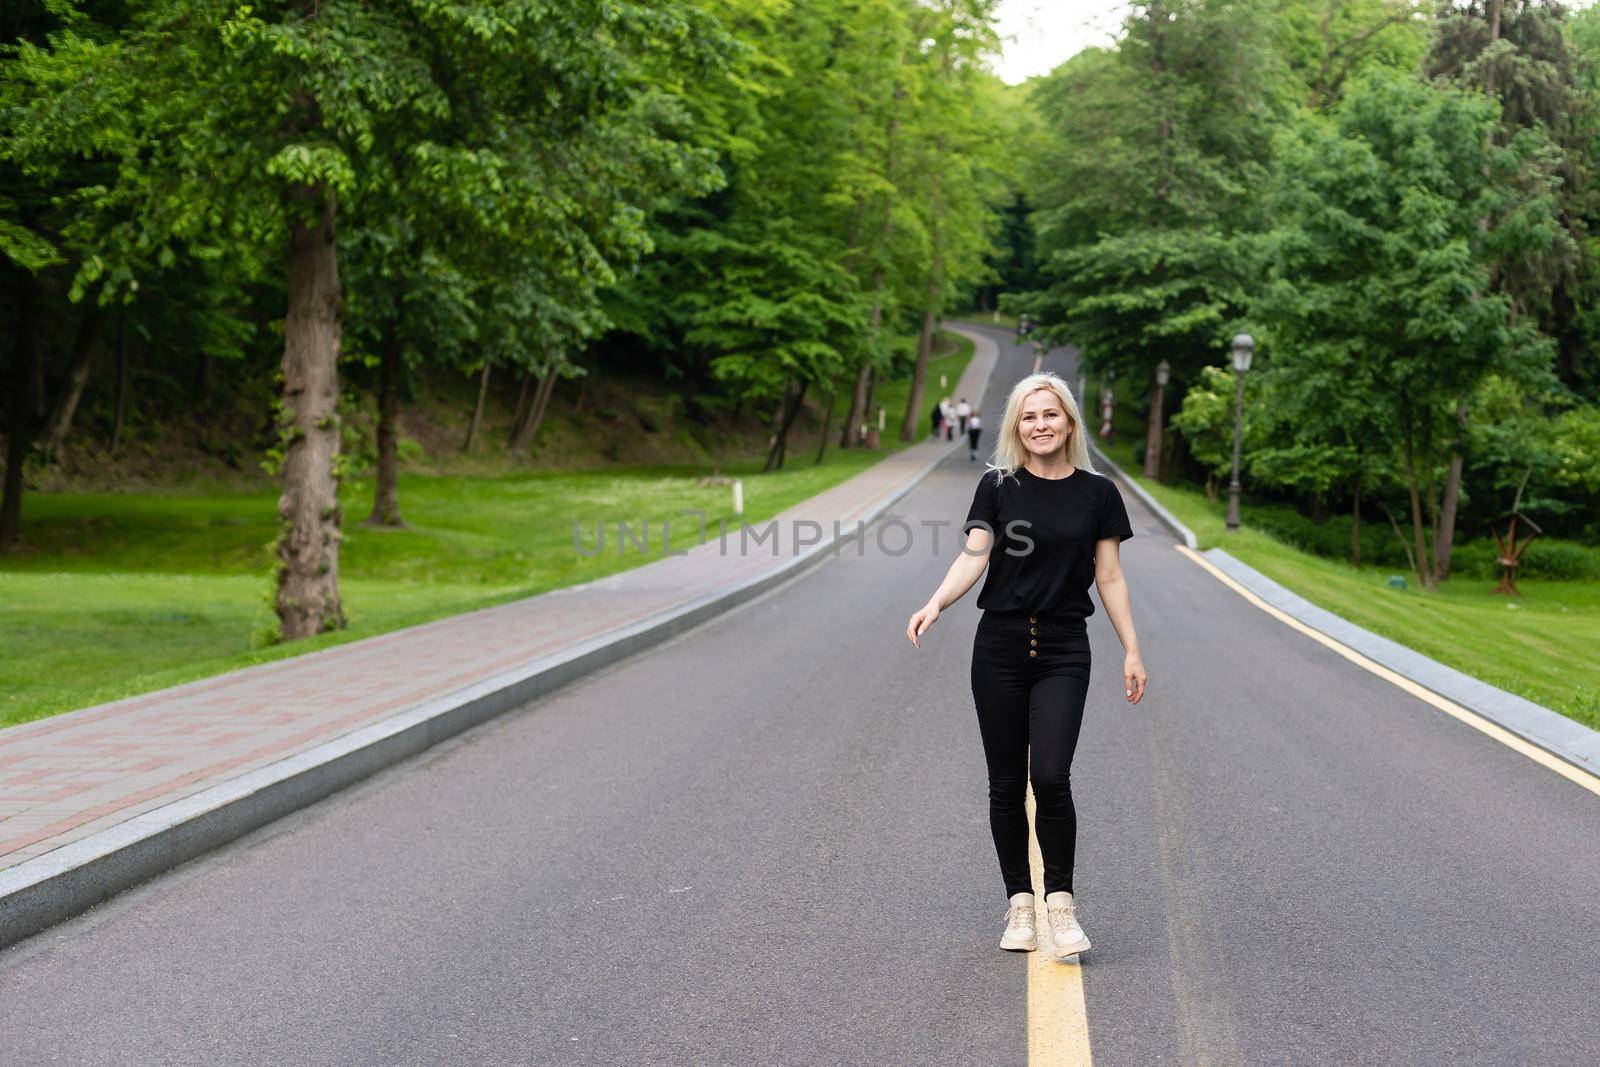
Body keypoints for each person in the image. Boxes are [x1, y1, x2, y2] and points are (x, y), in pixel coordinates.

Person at [904, 371, 1145, 962]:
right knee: (1008, 784)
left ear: (1068, 423)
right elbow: (975, 555)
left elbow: (1109, 576)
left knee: (1053, 777)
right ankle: (1019, 903)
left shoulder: (1098, 494)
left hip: (1066, 648)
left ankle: (1059, 904)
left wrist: (1131, 648)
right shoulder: (997, 487)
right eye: (1029, 416)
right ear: (1017, 425)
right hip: (1000, 648)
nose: (1040, 425)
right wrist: (936, 601)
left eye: (1051, 415)